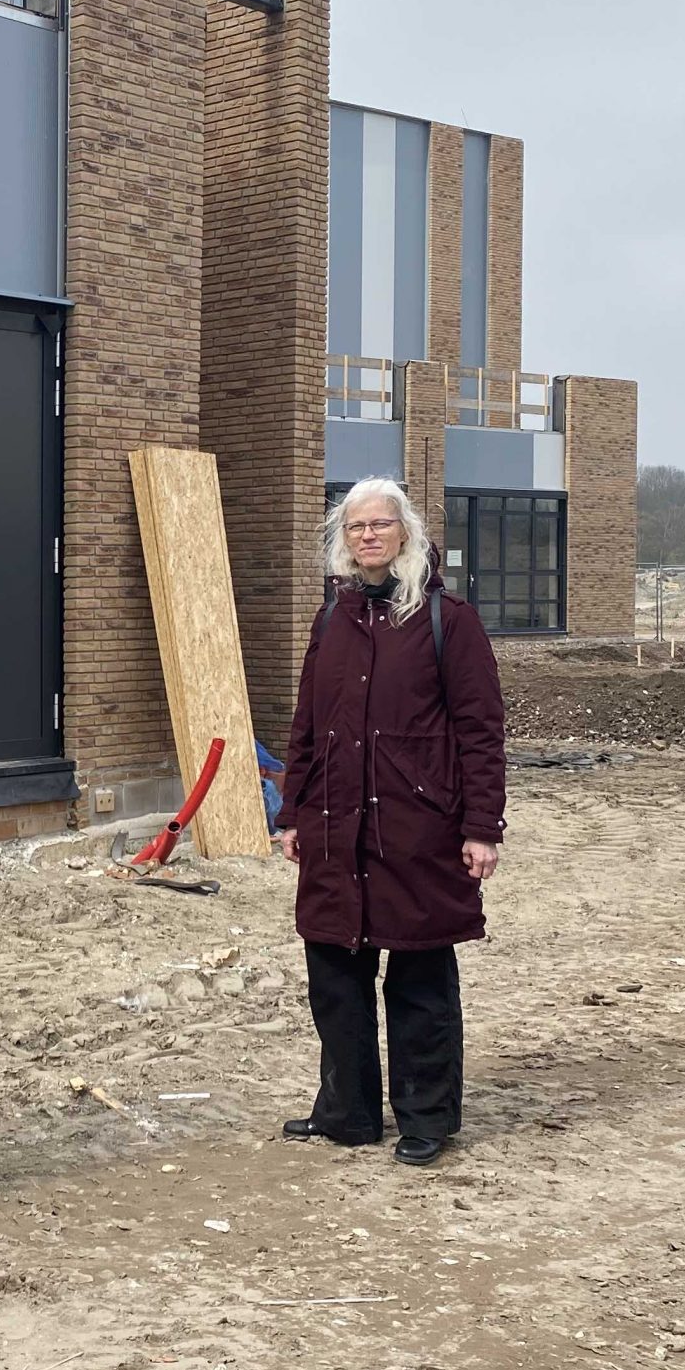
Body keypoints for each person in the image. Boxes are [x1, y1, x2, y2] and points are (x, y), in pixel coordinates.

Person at [273, 477, 506, 1166]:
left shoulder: (448, 620)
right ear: (343, 540)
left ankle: (426, 1117)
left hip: (419, 831)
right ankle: (346, 1112)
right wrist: (291, 812)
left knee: (420, 982)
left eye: (380, 524)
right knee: (336, 979)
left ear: (405, 531)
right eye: (355, 527)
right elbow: (307, 725)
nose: (368, 536)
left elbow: (481, 731)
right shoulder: (331, 619)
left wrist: (481, 826)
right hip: (334, 830)